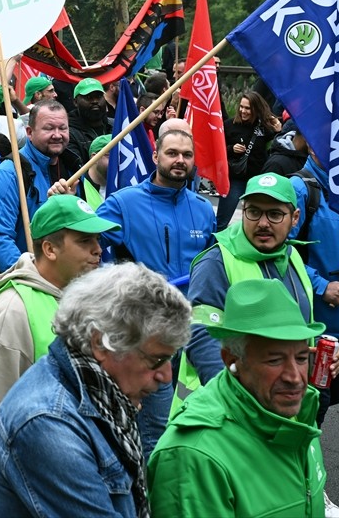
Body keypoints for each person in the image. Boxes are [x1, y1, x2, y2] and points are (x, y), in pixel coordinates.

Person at [0, 264, 191, 518]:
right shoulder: (48, 423)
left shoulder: (103, 391)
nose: (166, 376)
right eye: (156, 360)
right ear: (101, 344)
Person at [0, 195, 117, 515]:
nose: (98, 249)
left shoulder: (81, 299)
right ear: (50, 249)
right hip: (30, 487)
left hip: (77, 473)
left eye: (97, 240)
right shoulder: (12, 312)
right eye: (85, 241)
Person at [148, 278, 330, 518]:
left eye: (301, 358)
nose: (295, 377)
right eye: (274, 360)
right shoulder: (193, 455)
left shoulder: (298, 411)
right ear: (231, 360)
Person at [94, 127, 216, 454]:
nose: (179, 160)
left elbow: (213, 266)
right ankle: (147, 484)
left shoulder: (204, 209)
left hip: (192, 334)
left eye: (186, 155)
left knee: (187, 423)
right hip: (147, 334)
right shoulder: (124, 203)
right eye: (172, 153)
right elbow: (85, 244)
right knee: (156, 431)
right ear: (156, 156)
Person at [0, 100, 76, 282]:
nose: (57, 135)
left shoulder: (73, 168)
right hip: (20, 284)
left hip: (60, 282)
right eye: (49, 128)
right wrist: (31, 279)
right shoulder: (9, 173)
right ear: (30, 132)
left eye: (63, 128)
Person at [216, 91, 282, 227]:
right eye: (241, 107)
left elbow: (279, 145)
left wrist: (278, 130)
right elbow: (218, 149)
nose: (243, 111)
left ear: (256, 109)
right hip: (236, 179)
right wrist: (231, 149)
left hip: (258, 181)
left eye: (247, 108)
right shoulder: (229, 125)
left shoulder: (264, 126)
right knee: (222, 222)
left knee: (255, 222)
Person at [67, 79, 112, 164]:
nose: (95, 101)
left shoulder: (116, 125)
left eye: (99, 96)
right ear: (75, 102)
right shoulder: (69, 133)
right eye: (88, 97)